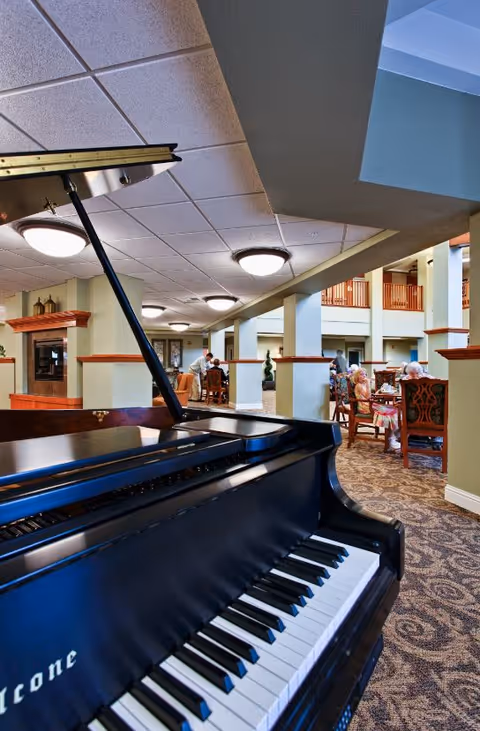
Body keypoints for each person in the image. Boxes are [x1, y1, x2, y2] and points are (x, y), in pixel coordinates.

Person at [352, 368, 401, 451]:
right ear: (357, 376)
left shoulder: (363, 384)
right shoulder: (359, 385)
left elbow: (369, 396)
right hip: (364, 407)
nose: (364, 376)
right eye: (361, 374)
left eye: (365, 374)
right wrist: (368, 384)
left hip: (368, 404)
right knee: (388, 412)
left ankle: (392, 436)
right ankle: (390, 438)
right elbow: (368, 397)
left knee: (392, 410)